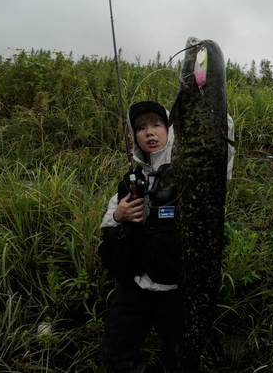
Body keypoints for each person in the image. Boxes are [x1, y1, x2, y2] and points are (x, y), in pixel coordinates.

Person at [99, 101, 235, 373]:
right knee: (114, 356)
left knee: (181, 360)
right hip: (136, 285)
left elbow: (224, 142)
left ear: (170, 129)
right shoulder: (131, 180)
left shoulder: (194, 169)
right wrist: (119, 216)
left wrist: (204, 96)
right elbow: (107, 223)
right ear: (134, 137)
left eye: (156, 124)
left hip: (178, 292)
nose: (149, 132)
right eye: (141, 128)